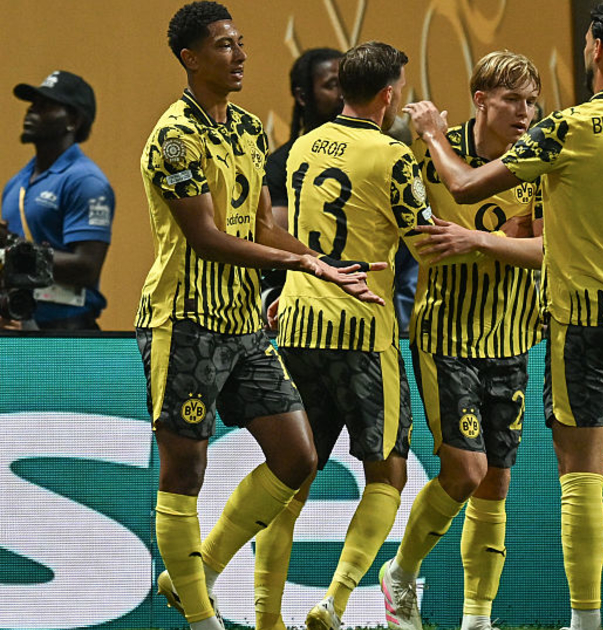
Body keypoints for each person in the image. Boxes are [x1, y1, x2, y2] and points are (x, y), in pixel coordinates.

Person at [401, 2, 603, 629]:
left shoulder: (566, 129)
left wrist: (431, 133)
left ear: (595, 47)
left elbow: (463, 188)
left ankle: (586, 620)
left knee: (582, 476)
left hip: (583, 319)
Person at [136, 4, 385, 630]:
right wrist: (299, 265)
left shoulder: (247, 129)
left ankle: (197, 573)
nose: (241, 55)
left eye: (240, 43)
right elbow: (207, 238)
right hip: (183, 320)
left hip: (243, 323)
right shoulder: (174, 139)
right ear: (191, 59)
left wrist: (319, 263)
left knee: (298, 458)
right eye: (224, 46)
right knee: (185, 470)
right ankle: (202, 619)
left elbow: (262, 225)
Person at [246, 41, 421, 630]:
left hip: (298, 323)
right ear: (389, 95)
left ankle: (266, 616)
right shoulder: (393, 154)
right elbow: (425, 241)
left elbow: (281, 234)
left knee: (290, 477)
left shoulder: (297, 150)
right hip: (363, 328)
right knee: (388, 474)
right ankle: (335, 601)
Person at [378, 50, 545, 630]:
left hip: (512, 336)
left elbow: (548, 248)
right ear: (480, 100)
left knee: (495, 482)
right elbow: (388, 222)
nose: (525, 113)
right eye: (512, 100)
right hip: (445, 335)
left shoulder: (538, 161)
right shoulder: (428, 152)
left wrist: (481, 241)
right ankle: (401, 572)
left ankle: (477, 619)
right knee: (467, 471)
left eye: (532, 102)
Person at [0, 70, 113, 330]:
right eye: (32, 104)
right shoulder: (16, 183)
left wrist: (12, 248)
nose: (31, 111)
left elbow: (86, 267)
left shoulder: (85, 181)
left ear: (73, 120)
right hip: (19, 324)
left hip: (66, 330)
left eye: (45, 106)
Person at [259, 48, 343, 318]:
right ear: (303, 96)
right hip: (302, 298)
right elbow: (275, 235)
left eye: (348, 83)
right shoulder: (281, 165)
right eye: (332, 85)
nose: (343, 94)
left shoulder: (375, 153)